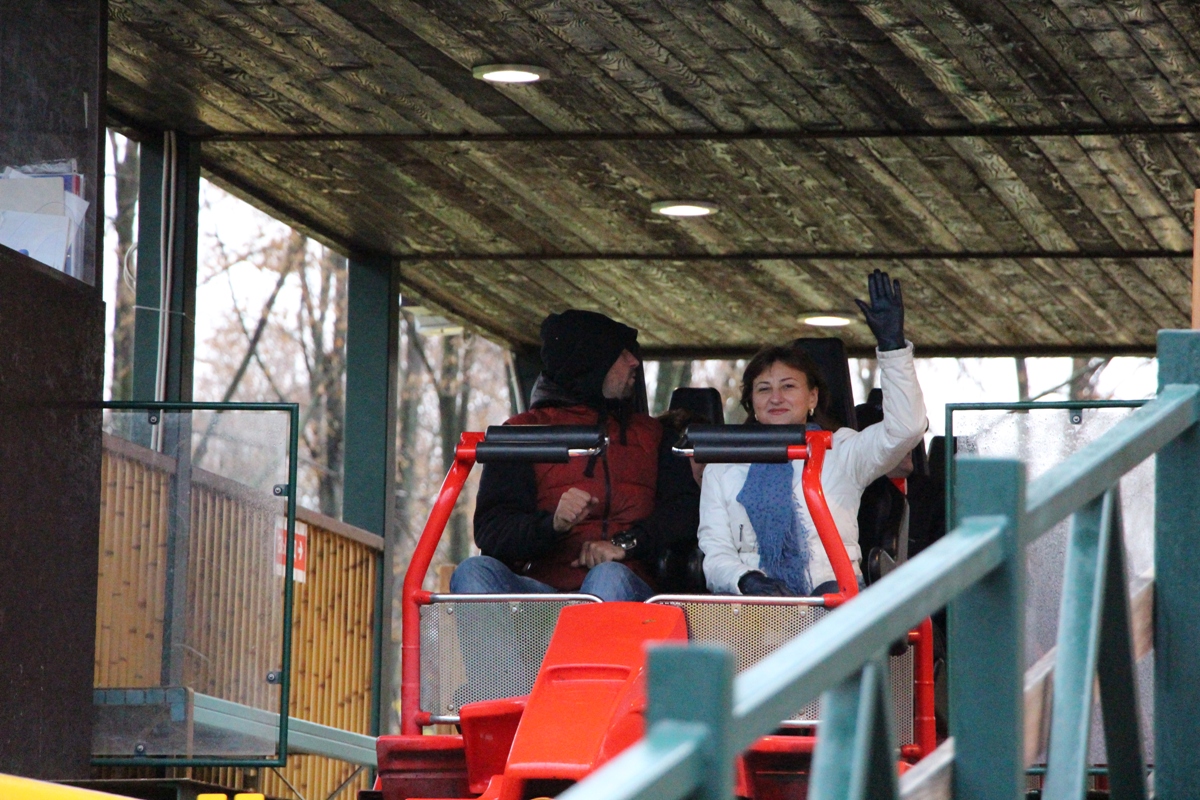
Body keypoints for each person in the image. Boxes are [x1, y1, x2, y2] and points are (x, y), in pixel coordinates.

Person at [697, 270, 927, 596]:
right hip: (754, 608)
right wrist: (745, 580)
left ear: (813, 398)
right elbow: (715, 552)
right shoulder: (722, 466)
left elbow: (906, 429)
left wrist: (893, 350)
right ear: (752, 403)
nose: (776, 398)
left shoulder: (842, 450)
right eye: (764, 389)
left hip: (834, 600)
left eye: (788, 386)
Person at [451, 309, 699, 602]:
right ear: (591, 362)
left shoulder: (654, 435)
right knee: (472, 572)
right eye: (621, 354)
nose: (634, 362)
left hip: (628, 593)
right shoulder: (521, 434)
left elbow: (685, 512)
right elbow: (493, 532)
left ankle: (589, 631)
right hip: (544, 596)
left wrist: (625, 544)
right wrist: (552, 525)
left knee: (607, 576)